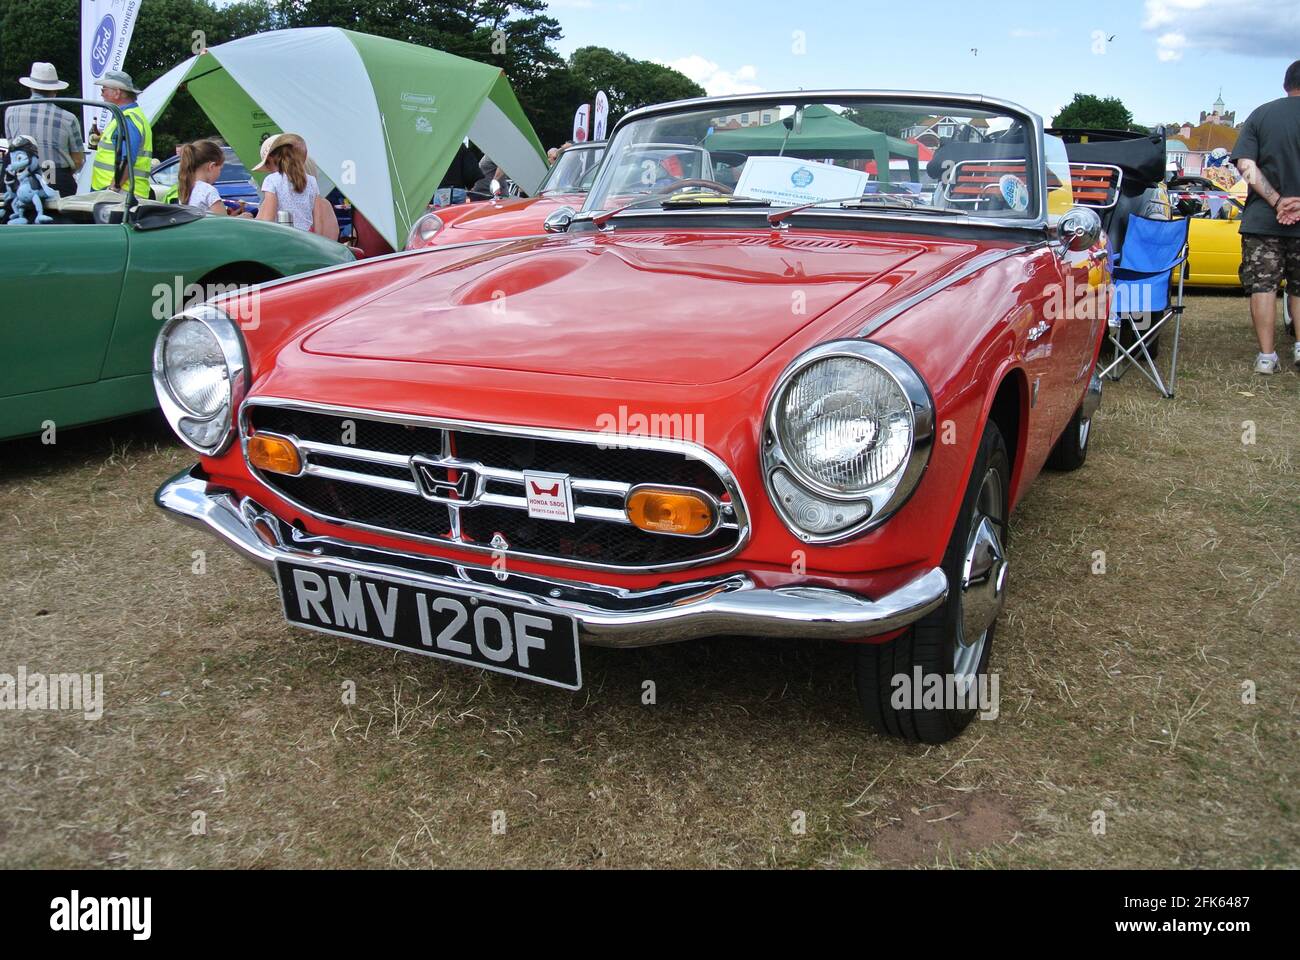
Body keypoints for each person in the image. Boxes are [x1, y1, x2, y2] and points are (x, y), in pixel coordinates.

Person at [1232, 59, 1300, 373]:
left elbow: (1246, 165)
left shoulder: (1260, 114)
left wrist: (1276, 201)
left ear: (1286, 84)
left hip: (1262, 220)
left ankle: (1266, 357)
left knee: (1263, 286)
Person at [4, 62, 83, 197]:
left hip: (21, 176)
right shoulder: (68, 118)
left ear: (31, 88)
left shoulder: (11, 111)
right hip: (55, 175)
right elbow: (77, 159)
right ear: (55, 90)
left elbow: (13, 146)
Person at [253, 133, 338, 240]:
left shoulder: (271, 180)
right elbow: (318, 218)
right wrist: (317, 241)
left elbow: (268, 218)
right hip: (308, 237)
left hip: (284, 237)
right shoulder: (311, 181)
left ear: (270, 159)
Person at [89, 70, 152, 196]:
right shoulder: (126, 117)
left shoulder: (127, 119)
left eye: (104, 90)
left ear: (117, 93)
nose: (102, 94)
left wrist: (113, 189)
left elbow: (127, 159)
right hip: (122, 193)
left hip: (120, 195)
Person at [176, 139, 246, 216]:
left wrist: (232, 216)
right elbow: (224, 224)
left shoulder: (186, 188)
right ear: (211, 166)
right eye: (220, 169)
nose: (220, 172)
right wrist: (243, 218)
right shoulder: (209, 191)